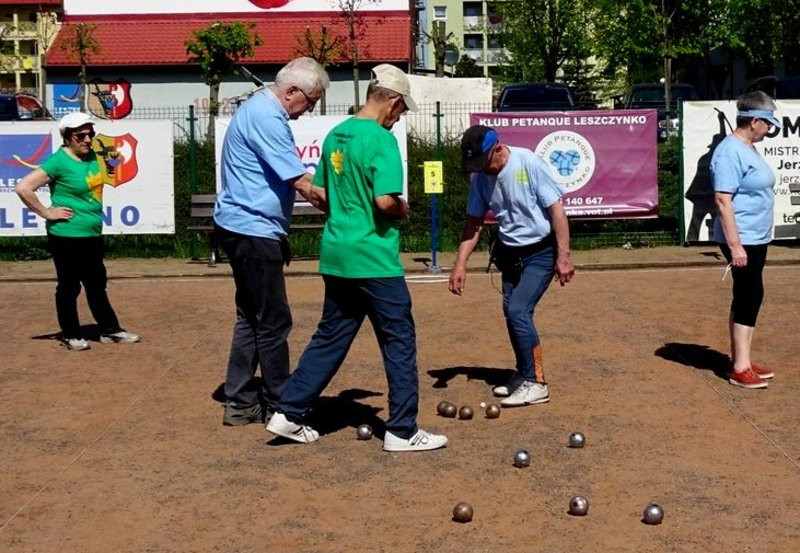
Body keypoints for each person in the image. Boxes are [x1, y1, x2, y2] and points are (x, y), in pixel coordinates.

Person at [267, 64, 447, 452]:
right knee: (398, 340)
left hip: (337, 252)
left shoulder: (336, 135)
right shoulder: (382, 141)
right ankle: (402, 430)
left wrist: (350, 211)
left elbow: (320, 194)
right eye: (402, 110)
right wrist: (402, 209)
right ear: (393, 102)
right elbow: (385, 201)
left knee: (330, 336)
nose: (400, 118)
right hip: (374, 258)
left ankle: (288, 412)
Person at [214, 57, 329, 426]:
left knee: (251, 316)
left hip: (245, 228)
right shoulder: (267, 115)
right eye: (310, 101)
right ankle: (283, 402)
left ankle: (240, 401)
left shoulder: (260, 109)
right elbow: (300, 181)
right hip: (252, 230)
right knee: (273, 320)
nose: (308, 110)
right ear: (292, 91)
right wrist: (350, 207)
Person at [448, 125, 574, 407]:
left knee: (519, 309)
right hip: (508, 253)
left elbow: (556, 210)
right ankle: (523, 373)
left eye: (483, 161)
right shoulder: (480, 178)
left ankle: (537, 382)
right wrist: (459, 265)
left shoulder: (526, 161)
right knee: (511, 311)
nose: (480, 169)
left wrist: (563, 256)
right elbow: (474, 223)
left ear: (498, 149)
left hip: (540, 251)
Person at [15, 111, 140, 351]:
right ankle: (70, 333)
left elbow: (116, 167)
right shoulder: (58, 161)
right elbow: (23, 188)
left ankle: (109, 330)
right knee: (69, 285)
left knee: (96, 283)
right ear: (67, 137)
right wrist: (47, 212)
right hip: (65, 234)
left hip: (91, 232)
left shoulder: (95, 156)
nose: (87, 139)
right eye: (80, 135)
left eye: (90, 134)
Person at [711, 90, 780, 389]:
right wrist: (736, 245)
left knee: (748, 294)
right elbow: (723, 200)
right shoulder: (729, 152)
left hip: (756, 235)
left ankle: (742, 358)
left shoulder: (747, 146)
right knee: (750, 294)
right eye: (769, 124)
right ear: (755, 121)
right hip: (743, 238)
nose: (771, 129)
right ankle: (740, 368)